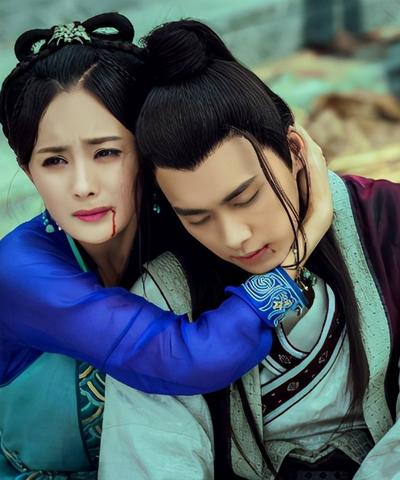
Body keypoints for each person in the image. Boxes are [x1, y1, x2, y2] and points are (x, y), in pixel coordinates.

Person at [0, 13, 330, 480]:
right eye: (54, 161)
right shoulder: (22, 270)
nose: (82, 185)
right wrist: (298, 252)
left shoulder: (183, 226)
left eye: (106, 152)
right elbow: (188, 358)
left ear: (145, 150)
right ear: (27, 170)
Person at [99, 19, 400, 480]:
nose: (234, 236)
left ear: (294, 151)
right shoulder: (165, 297)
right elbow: (149, 461)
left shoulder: (389, 223)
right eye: (197, 217)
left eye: (245, 198)